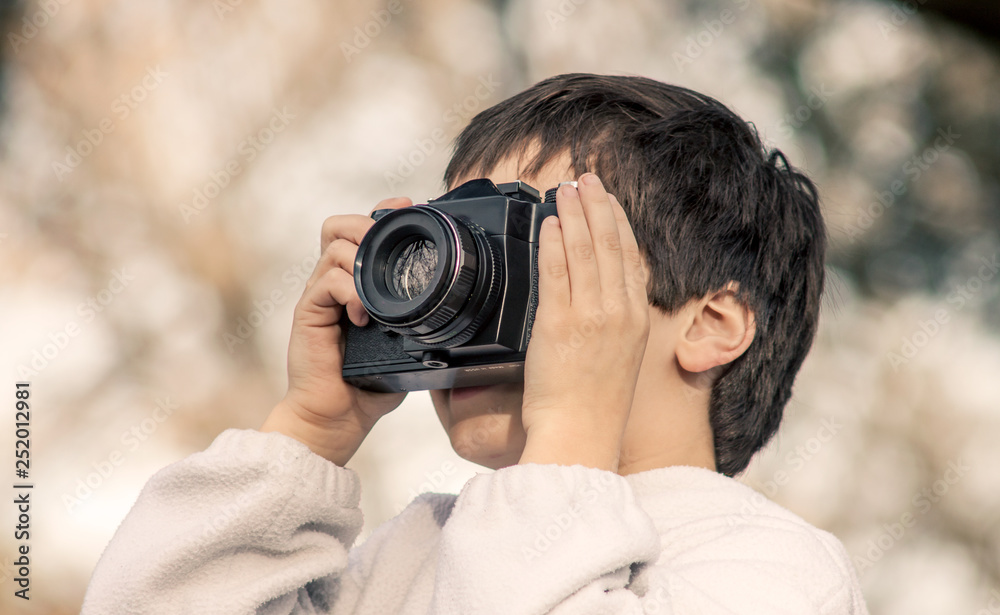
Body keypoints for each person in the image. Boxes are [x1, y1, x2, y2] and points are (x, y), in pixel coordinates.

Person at [82, 73, 868, 614]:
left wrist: (566, 435)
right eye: (459, 241)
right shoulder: (412, 553)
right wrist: (309, 432)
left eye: (530, 246)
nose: (466, 293)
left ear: (708, 325)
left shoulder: (774, 566)